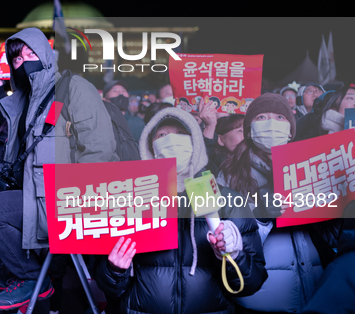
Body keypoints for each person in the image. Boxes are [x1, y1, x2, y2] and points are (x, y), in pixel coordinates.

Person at [0, 28, 118, 311]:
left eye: (31, 53)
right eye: (17, 59)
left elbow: (99, 149)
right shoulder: (22, 102)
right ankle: (22, 275)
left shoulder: (74, 87)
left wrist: (79, 203)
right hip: (35, 197)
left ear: (46, 55)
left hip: (64, 201)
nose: (25, 62)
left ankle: (29, 278)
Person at [95, 106, 267, 313]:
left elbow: (251, 284)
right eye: (162, 135)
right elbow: (109, 288)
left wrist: (235, 256)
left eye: (181, 134)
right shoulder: (130, 201)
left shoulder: (228, 200)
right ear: (150, 145)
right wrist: (114, 269)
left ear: (195, 141)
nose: (171, 141)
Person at [217, 93, 337, 313]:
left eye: (280, 117)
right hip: (261, 298)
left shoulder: (312, 164)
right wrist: (260, 217)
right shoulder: (230, 173)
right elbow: (225, 238)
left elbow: (333, 235)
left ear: (291, 130)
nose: (271, 123)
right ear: (249, 130)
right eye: (261, 117)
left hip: (316, 289)